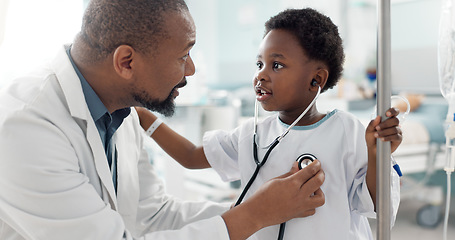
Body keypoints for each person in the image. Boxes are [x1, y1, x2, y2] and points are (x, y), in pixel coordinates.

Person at [0, 1, 326, 240]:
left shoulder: (120, 109)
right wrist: (254, 215)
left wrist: (263, 208)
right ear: (126, 62)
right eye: (183, 56)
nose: (191, 70)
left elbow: (153, 215)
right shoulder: (26, 127)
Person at [135, 8, 402, 240]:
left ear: (316, 80)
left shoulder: (346, 130)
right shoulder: (253, 135)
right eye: (259, 63)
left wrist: (377, 154)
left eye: (276, 65)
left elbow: (378, 207)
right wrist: (145, 118)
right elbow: (191, 156)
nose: (261, 75)